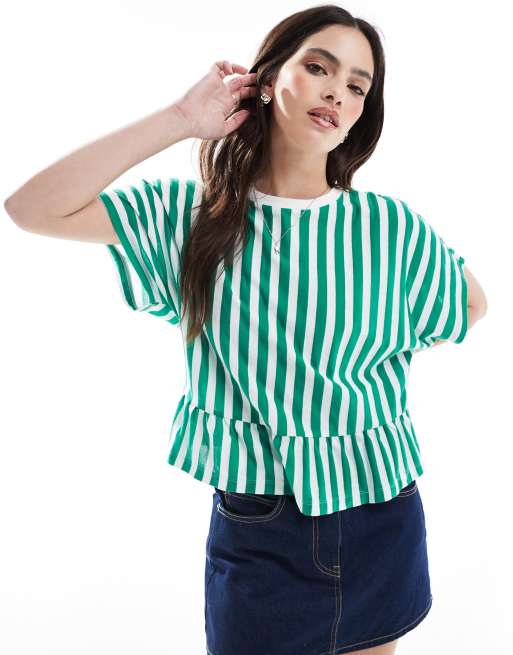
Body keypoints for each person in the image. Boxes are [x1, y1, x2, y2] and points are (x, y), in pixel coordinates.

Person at [4, 4, 487, 655]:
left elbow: (468, 304)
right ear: (267, 78)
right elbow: (32, 207)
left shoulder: (388, 226)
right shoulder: (191, 219)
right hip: (260, 527)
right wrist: (181, 120)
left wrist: (373, 345)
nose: (335, 93)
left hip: (379, 509)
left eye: (356, 85)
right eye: (319, 68)